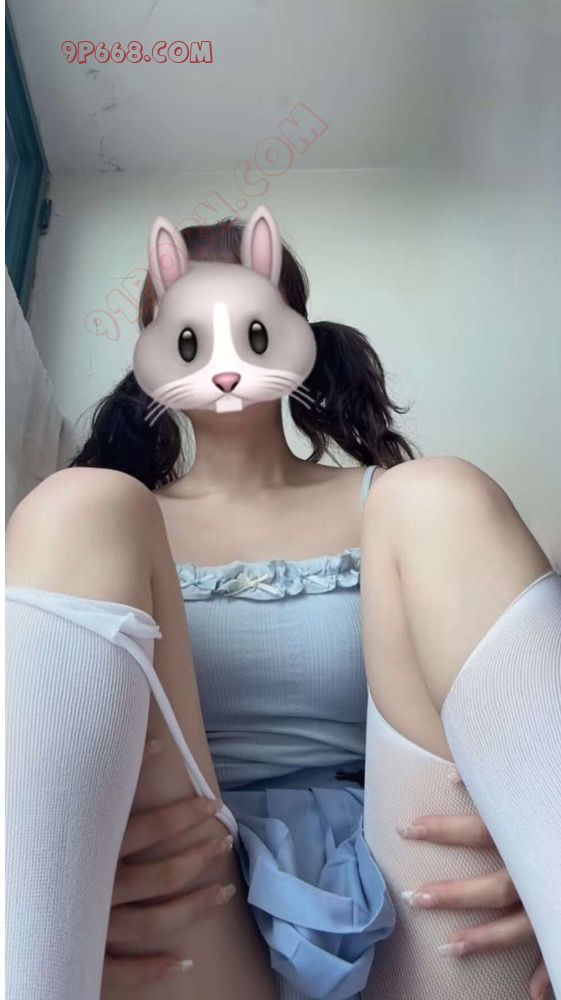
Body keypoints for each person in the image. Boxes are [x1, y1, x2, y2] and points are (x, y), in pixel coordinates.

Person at [5, 207, 558, 1000]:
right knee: (76, 507)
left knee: (439, 493)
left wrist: (530, 827)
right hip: (188, 885)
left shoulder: (398, 505)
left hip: (403, 873)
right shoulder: (111, 533)